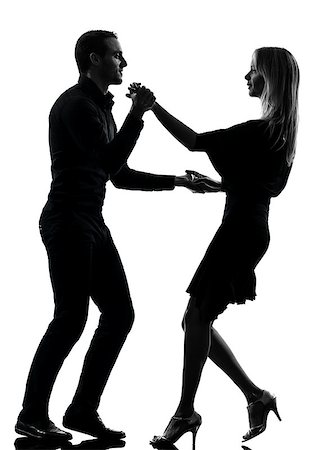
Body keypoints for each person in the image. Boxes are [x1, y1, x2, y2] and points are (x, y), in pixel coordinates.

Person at [15, 30, 217, 442]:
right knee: (70, 318)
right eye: (117, 56)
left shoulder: (100, 110)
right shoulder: (74, 105)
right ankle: (31, 415)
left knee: (120, 314)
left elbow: (119, 177)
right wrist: (138, 114)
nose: (124, 63)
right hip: (66, 220)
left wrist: (178, 181)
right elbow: (108, 162)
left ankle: (82, 411)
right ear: (94, 59)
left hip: (90, 221)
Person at [148, 47, 299, 447]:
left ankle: (185, 412)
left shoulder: (260, 129)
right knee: (195, 319)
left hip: (238, 231)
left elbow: (195, 141)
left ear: (268, 77)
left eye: (252, 71)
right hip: (251, 229)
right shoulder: (282, 135)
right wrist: (217, 186)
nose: (245, 76)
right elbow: (264, 189)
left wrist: (152, 106)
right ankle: (255, 396)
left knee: (196, 316)